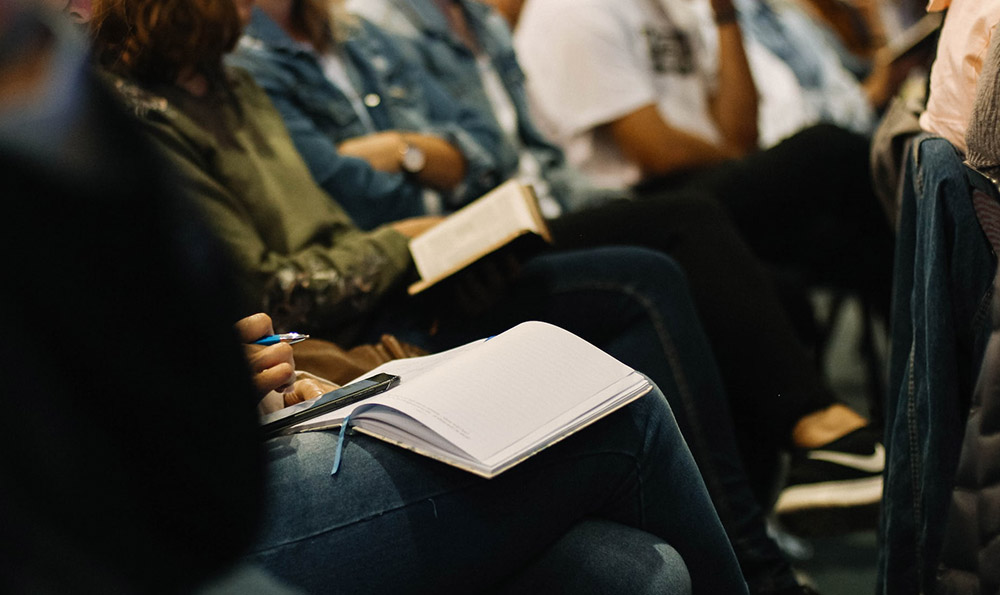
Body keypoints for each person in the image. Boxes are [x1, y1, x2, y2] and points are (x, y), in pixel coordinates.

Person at [5, 3, 751, 593]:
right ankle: (765, 563)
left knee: (639, 570)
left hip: (256, 420)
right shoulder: (116, 115)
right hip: (153, 517)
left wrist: (228, 374)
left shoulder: (227, 87)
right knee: (619, 406)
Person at [250, 0, 881, 524]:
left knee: (771, 269)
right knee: (695, 227)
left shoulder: (370, 34)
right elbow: (349, 188)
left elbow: (488, 147)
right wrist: (430, 161)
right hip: (426, 258)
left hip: (514, 214)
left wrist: (408, 151)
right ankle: (808, 451)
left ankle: (790, 494)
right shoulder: (338, 38)